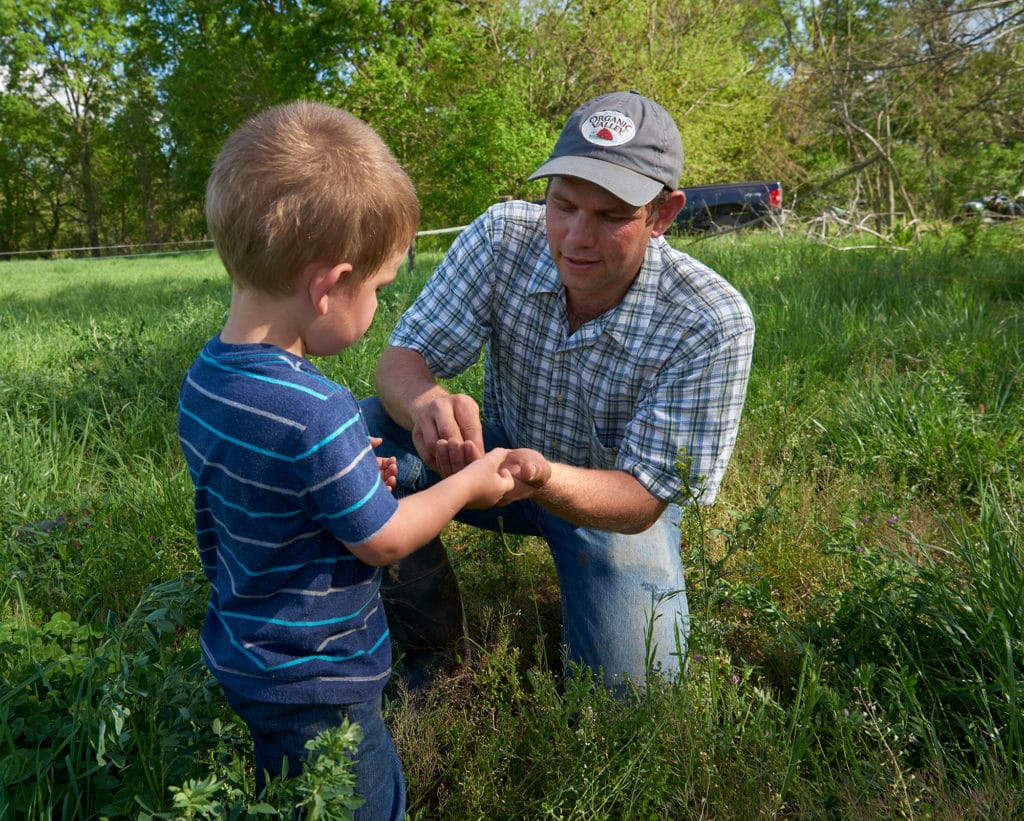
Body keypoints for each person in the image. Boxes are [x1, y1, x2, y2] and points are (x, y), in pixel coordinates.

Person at [177, 100, 549, 819]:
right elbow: (383, 539)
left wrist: (345, 483)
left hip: (246, 654)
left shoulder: (207, 378)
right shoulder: (318, 409)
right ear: (327, 284)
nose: (379, 303)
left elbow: (255, 490)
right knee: (362, 802)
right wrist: (470, 480)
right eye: (377, 288)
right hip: (322, 677)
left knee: (284, 790)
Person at [363, 90, 755, 696]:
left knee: (636, 697)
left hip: (613, 504)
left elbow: (644, 499)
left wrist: (544, 478)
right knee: (357, 448)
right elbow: (400, 361)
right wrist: (424, 403)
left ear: (663, 213)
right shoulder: (502, 238)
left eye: (611, 217)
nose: (577, 236)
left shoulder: (710, 320)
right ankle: (434, 655)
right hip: (496, 463)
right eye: (564, 204)